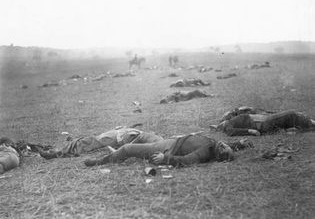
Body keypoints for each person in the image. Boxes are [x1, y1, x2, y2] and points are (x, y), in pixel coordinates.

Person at [84, 133, 252, 167]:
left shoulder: (206, 152)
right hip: (171, 139)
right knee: (144, 135)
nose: (223, 147)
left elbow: (187, 160)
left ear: (218, 156)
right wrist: (240, 143)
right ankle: (117, 152)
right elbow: (226, 146)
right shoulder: (216, 144)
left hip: (167, 147)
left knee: (128, 149)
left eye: (223, 152)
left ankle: (101, 161)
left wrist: (165, 159)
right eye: (227, 147)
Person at [37, 126, 163, 159]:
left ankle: (56, 153)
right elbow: (137, 141)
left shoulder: (156, 143)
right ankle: (61, 151)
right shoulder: (158, 142)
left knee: (88, 141)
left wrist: (120, 150)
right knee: (88, 141)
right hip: (120, 135)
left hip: (117, 137)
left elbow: (133, 146)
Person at [212, 110, 315, 136]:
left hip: (264, 121)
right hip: (263, 123)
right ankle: (311, 124)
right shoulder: (227, 125)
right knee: (291, 114)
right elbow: (231, 132)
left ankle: (310, 125)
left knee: (289, 119)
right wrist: (249, 131)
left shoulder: (231, 119)